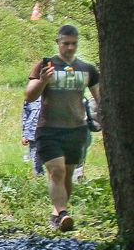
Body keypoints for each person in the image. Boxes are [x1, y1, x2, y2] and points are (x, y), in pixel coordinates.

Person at [25, 24, 100, 232]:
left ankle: (56, 214)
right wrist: (43, 81)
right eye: (66, 43)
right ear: (58, 42)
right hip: (49, 129)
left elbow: (100, 98)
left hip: (76, 130)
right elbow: (29, 96)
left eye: (74, 44)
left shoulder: (87, 69)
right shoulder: (45, 65)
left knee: (67, 174)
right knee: (56, 171)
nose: (70, 48)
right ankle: (63, 213)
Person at [21, 97, 43, 176]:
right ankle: (39, 178)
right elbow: (25, 116)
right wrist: (24, 135)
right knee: (35, 160)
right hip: (32, 133)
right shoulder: (30, 97)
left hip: (47, 134)